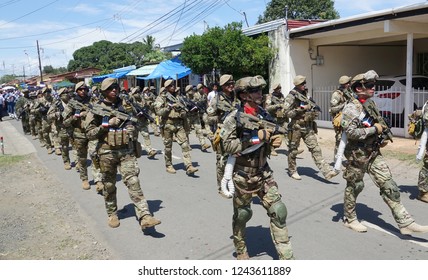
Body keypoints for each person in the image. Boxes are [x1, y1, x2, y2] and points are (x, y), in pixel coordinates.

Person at [341, 70, 428, 235]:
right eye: (369, 85)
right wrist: (375, 129)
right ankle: (350, 218)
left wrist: (380, 134)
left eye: (373, 85)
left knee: (389, 185)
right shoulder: (352, 107)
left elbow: (376, 122)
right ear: (359, 88)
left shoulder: (369, 104)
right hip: (357, 155)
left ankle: (405, 222)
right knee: (355, 186)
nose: (373, 88)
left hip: (373, 153)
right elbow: (351, 132)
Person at [219, 75, 294, 260]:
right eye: (255, 91)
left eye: (260, 90)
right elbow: (226, 146)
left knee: (279, 210)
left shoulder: (263, 114)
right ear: (244, 95)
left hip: (263, 171)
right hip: (242, 173)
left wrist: (273, 140)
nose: (260, 93)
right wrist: (256, 138)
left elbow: (270, 137)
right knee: (243, 214)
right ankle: (241, 248)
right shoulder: (233, 118)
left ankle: (287, 258)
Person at [85, 78, 161, 229]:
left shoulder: (126, 105)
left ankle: (145, 216)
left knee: (133, 181)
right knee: (109, 184)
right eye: (110, 88)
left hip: (126, 150)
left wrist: (133, 128)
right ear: (104, 91)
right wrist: (105, 125)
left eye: (116, 87)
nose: (114, 90)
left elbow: (135, 122)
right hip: (107, 152)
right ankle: (112, 213)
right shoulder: (95, 109)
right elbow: (89, 133)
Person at [283, 75, 339, 181]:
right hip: (296, 127)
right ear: (297, 85)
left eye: (305, 83)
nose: (304, 85)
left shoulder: (305, 94)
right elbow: (286, 113)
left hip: (308, 127)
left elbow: (311, 106)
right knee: (293, 150)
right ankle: (292, 170)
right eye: (302, 84)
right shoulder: (291, 96)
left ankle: (326, 172)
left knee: (315, 149)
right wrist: (299, 109)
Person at [153, 79, 198, 175]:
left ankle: (189, 165)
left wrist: (182, 111)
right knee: (168, 147)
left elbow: (185, 111)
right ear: (166, 88)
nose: (173, 87)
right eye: (170, 86)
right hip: (167, 125)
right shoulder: (161, 98)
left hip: (179, 124)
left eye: (173, 85)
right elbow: (159, 112)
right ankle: (168, 165)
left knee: (185, 145)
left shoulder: (179, 98)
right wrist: (169, 107)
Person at [63, 81, 91, 190]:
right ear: (76, 91)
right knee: (82, 159)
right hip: (79, 134)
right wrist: (76, 117)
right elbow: (65, 122)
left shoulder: (92, 101)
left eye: (85, 89)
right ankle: (84, 179)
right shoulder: (72, 104)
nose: (83, 91)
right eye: (80, 89)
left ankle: (98, 180)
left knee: (96, 157)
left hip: (93, 133)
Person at [329, 75, 352, 158]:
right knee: (339, 141)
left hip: (349, 119)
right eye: (348, 82)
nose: (350, 84)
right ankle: (336, 160)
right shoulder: (336, 94)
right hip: (340, 120)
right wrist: (344, 105)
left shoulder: (349, 92)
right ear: (345, 84)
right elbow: (332, 109)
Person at [184, 84, 211, 152]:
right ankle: (187, 145)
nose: (191, 91)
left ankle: (203, 144)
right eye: (190, 90)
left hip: (195, 116)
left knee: (199, 130)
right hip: (188, 117)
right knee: (187, 132)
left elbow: (199, 104)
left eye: (192, 89)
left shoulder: (195, 96)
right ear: (187, 91)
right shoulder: (184, 99)